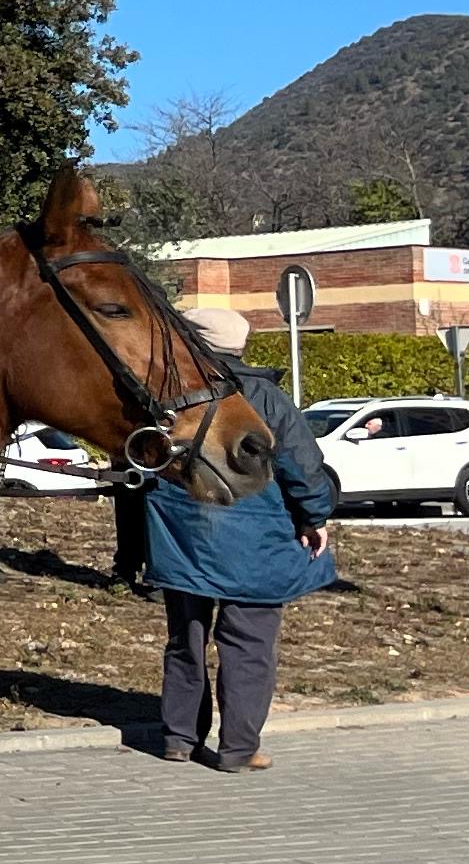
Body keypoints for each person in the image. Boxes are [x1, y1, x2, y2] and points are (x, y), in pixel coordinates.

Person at [142, 302, 339, 773]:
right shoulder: (263, 397)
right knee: (248, 644)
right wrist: (315, 516)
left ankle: (179, 738)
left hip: (179, 532)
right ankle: (237, 748)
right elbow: (300, 463)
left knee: (185, 638)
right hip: (256, 536)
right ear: (241, 346)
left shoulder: (167, 393)